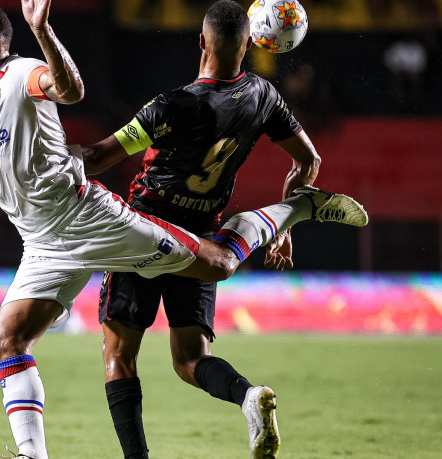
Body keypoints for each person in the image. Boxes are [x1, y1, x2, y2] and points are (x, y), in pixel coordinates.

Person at [0, 1, 367, 457]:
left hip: (87, 219)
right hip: (42, 240)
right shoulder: (263, 96)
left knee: (216, 268)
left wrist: (43, 31)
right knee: (7, 341)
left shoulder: (32, 74)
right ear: (248, 43)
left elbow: (70, 92)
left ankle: (297, 210)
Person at [80, 2, 328, 457]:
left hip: (143, 232)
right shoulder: (264, 97)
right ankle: (248, 396)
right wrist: (286, 225)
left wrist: (39, 156)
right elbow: (309, 160)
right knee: (191, 360)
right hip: (202, 241)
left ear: (201, 41)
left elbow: (97, 159)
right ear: (250, 43)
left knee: (119, 355)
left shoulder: (170, 106)